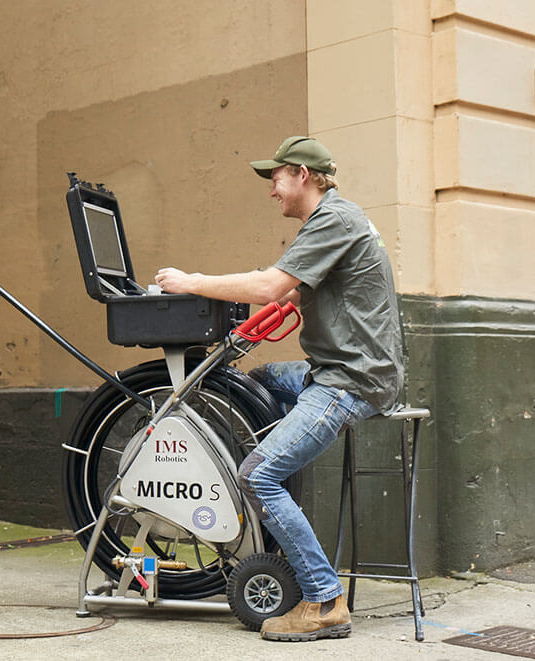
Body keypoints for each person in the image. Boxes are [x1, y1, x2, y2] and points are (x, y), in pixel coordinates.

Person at [154, 136, 404, 642]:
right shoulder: (335, 220)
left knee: (258, 475)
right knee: (262, 379)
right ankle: (280, 498)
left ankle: (323, 599)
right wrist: (243, 325)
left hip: (348, 381)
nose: (273, 190)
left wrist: (192, 282)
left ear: (302, 176)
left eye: (276, 178)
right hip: (340, 369)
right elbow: (289, 292)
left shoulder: (334, 220)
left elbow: (271, 285)